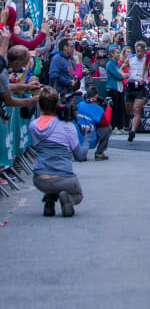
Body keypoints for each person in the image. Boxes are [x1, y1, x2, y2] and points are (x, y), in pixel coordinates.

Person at [30, 85, 91, 216]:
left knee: (51, 182)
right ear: (57, 104)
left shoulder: (33, 125)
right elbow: (80, 156)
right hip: (64, 177)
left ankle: (50, 200)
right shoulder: (67, 126)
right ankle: (68, 200)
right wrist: (87, 137)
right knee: (78, 195)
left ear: (40, 105)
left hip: (40, 178)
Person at [77, 85, 113, 160]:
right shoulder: (97, 108)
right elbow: (105, 122)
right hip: (90, 136)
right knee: (108, 128)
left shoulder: (79, 105)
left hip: (77, 136)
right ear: (96, 95)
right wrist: (108, 108)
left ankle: (78, 152)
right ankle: (99, 153)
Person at [124, 40, 149, 142]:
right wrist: (123, 74)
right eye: (137, 51)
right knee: (129, 109)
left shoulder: (147, 59)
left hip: (141, 86)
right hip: (130, 85)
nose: (139, 53)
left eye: (141, 51)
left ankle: (133, 131)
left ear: (144, 51)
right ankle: (131, 123)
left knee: (137, 109)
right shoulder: (130, 59)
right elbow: (121, 69)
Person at [105, 44, 126, 129]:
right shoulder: (110, 64)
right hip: (113, 88)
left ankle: (120, 126)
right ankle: (114, 126)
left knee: (120, 107)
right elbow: (118, 75)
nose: (118, 54)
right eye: (117, 53)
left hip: (119, 88)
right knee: (115, 108)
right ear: (112, 54)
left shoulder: (117, 64)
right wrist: (124, 76)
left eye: (119, 53)